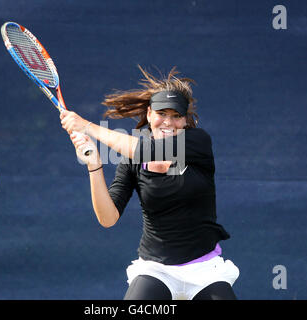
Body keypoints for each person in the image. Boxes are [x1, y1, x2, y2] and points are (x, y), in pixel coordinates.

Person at [60, 66, 239, 300]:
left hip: (205, 271)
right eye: (162, 113)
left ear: (185, 121)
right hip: (156, 270)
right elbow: (108, 218)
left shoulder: (198, 143)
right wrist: (94, 164)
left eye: (176, 116)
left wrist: (87, 127)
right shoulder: (133, 161)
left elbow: (147, 150)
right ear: (149, 114)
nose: (168, 122)